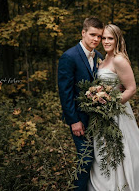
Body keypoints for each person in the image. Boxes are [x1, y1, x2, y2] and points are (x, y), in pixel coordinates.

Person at [88, 24, 139, 191]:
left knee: (122, 150)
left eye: (110, 38)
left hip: (116, 112)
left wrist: (111, 104)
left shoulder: (119, 59)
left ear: (117, 39)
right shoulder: (103, 58)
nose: (105, 41)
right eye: (103, 38)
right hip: (101, 114)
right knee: (104, 151)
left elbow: (131, 88)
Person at [58, 17, 104, 191]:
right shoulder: (69, 57)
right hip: (79, 118)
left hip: (96, 118)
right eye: (93, 35)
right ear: (83, 33)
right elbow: (65, 92)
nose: (96, 39)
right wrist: (73, 121)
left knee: (97, 158)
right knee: (86, 158)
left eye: (99, 36)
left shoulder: (99, 56)